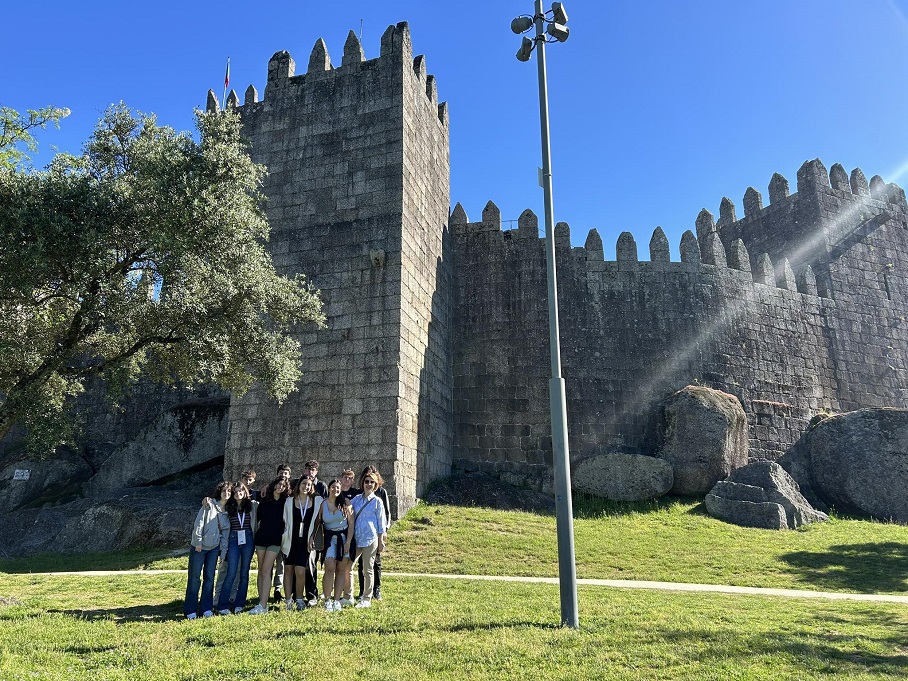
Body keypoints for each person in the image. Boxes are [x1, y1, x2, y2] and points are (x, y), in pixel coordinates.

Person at [184, 482, 229, 619]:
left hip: (214, 549)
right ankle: (190, 610)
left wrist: (223, 553)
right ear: (219, 492)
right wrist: (198, 541)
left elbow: (225, 535)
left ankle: (206, 608)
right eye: (224, 491)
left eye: (229, 491)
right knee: (194, 578)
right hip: (200, 547)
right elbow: (199, 523)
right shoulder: (209, 504)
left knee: (209, 578)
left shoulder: (228, 511)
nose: (226, 493)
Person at [247, 477, 290, 615]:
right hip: (261, 538)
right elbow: (258, 516)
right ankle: (261, 601)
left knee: (266, 570)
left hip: (275, 540)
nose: (280, 487)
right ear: (274, 485)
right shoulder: (264, 500)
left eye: (283, 485)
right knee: (261, 570)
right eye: (278, 484)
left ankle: (263, 606)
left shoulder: (286, 502)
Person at [280, 475, 323, 610]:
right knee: (288, 570)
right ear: (299, 485)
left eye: (309, 484)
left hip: (306, 543)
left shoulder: (316, 501)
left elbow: (318, 521)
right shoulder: (289, 501)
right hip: (290, 541)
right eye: (304, 483)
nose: (306, 486)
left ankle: (299, 599)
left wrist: (313, 537)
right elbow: (285, 521)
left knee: (300, 571)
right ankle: (288, 600)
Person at [312, 478, 353, 611]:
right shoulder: (323, 504)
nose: (336, 489)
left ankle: (336, 600)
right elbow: (317, 522)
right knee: (329, 568)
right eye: (333, 487)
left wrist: (348, 542)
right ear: (329, 488)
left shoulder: (345, 502)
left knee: (341, 570)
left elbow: (351, 523)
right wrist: (312, 537)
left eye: (338, 488)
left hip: (343, 538)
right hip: (329, 539)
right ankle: (327, 600)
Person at [217, 482, 258, 615]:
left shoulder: (252, 505)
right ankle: (223, 605)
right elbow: (216, 504)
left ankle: (239, 604)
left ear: (245, 492)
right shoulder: (229, 507)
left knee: (244, 574)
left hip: (248, 538)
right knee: (231, 573)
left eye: (241, 491)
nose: (238, 493)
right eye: (235, 492)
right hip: (233, 539)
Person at [350, 467, 388, 608]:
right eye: (367, 481)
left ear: (376, 484)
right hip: (356, 538)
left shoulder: (377, 501)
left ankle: (367, 598)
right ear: (362, 483)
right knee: (348, 567)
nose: (369, 484)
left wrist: (381, 541)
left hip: (370, 538)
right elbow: (347, 508)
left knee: (367, 569)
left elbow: (381, 523)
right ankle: (348, 595)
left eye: (372, 482)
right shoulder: (356, 499)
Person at [270, 463, 293, 601]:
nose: (283, 475)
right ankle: (267, 588)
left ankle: (278, 589)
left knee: (281, 564)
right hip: (271, 533)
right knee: (268, 564)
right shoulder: (270, 490)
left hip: (285, 533)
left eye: (286, 473)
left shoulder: (291, 493)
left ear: (289, 476)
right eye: (281, 473)